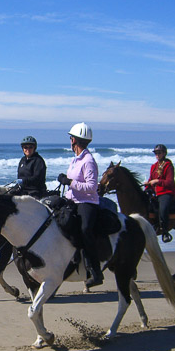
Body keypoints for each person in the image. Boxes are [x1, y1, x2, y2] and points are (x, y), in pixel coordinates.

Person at [57, 122, 103, 288]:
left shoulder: (88, 161)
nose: (70, 141)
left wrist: (70, 182)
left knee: (85, 230)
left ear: (74, 140)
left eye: (71, 138)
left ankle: (96, 272)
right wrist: (66, 180)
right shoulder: (75, 160)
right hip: (72, 200)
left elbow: (91, 188)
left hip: (87, 202)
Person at [144, 144, 175, 243]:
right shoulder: (154, 166)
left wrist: (158, 181)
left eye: (159, 153)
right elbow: (150, 179)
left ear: (164, 153)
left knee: (163, 208)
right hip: (155, 191)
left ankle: (165, 232)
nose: (157, 155)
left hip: (165, 192)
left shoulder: (168, 166)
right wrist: (147, 184)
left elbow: (170, 182)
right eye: (156, 153)